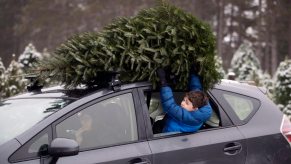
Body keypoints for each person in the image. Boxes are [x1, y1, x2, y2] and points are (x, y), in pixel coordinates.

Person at [156, 65, 212, 133]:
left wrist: (163, 82)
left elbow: (169, 105)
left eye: (186, 103)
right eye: (184, 100)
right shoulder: (203, 105)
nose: (182, 103)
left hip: (167, 136)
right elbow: (197, 89)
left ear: (195, 108)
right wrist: (193, 74)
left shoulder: (188, 117)